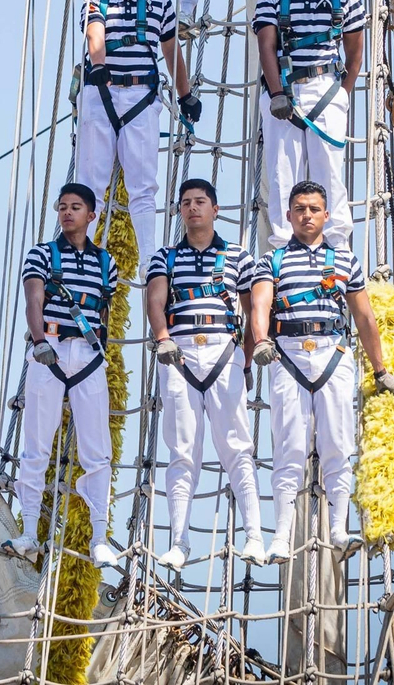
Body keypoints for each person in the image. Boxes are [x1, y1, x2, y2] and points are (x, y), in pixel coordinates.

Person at [248, 181, 394, 562]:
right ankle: (281, 535)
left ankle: (338, 529)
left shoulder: (345, 260)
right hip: (288, 357)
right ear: (289, 215)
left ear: (326, 215)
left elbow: (364, 317)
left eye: (314, 209)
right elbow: (260, 304)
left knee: (338, 445)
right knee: (289, 448)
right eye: (300, 209)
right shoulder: (273, 260)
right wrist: (262, 340)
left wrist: (380, 369)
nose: (307, 215)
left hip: (333, 354)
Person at [145, 178, 266, 569]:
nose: (192, 208)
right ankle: (179, 541)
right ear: (180, 211)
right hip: (179, 356)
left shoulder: (239, 257)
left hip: (223, 351)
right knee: (182, 452)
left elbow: (252, 313)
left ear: (215, 209)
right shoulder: (164, 257)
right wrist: (162, 337)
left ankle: (255, 536)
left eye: (200, 202)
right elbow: (156, 300)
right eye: (185, 203)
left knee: (237, 447)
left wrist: (245, 360)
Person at [4, 183, 121, 570]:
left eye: (76, 207)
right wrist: (39, 341)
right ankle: (29, 533)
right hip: (49, 349)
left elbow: (104, 311)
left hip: (88, 355)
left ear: (92, 215)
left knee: (96, 450)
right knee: (37, 445)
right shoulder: (41, 254)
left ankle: (100, 536)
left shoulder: (108, 263)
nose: (67, 213)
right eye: (63, 207)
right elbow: (33, 298)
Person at [78, 0, 197, 272]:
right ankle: (81, 257)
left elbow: (171, 51)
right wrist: (98, 66)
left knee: (143, 184)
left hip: (141, 98)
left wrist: (185, 94)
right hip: (102, 96)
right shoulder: (95, 1)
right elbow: (95, 34)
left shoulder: (159, 0)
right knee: (91, 181)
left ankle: (149, 260)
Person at [253, 0, 366, 249]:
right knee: (281, 172)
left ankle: (338, 246)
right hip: (285, 89)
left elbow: (355, 51)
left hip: (326, 88)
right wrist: (277, 94)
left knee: (329, 171)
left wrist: (342, 94)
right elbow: (266, 46)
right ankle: (282, 249)